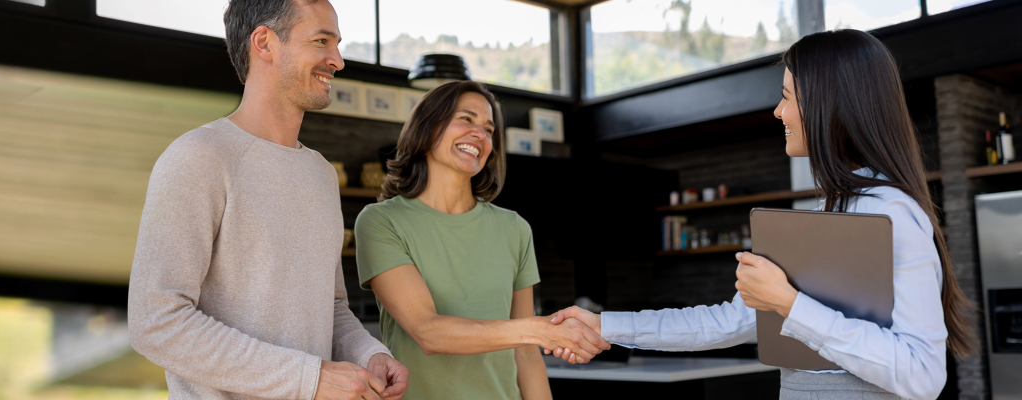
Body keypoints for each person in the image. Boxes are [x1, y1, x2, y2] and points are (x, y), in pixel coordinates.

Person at [548, 29, 977, 400]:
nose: (778, 111)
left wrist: (788, 303)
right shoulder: (835, 210)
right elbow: (729, 322)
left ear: (829, 103)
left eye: (787, 96)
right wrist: (605, 325)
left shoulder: (891, 212)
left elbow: (923, 375)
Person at [127, 1, 410, 399]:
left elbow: (328, 308)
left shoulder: (321, 174)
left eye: (337, 44)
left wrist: (370, 354)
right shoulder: (199, 157)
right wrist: (309, 379)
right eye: (321, 41)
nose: (338, 60)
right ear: (264, 43)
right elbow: (156, 321)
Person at [354, 81, 610, 400]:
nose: (480, 134)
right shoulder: (381, 221)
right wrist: (543, 329)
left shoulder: (513, 228)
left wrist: (537, 334)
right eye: (466, 119)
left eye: (489, 130)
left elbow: (527, 355)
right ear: (428, 127)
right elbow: (428, 332)